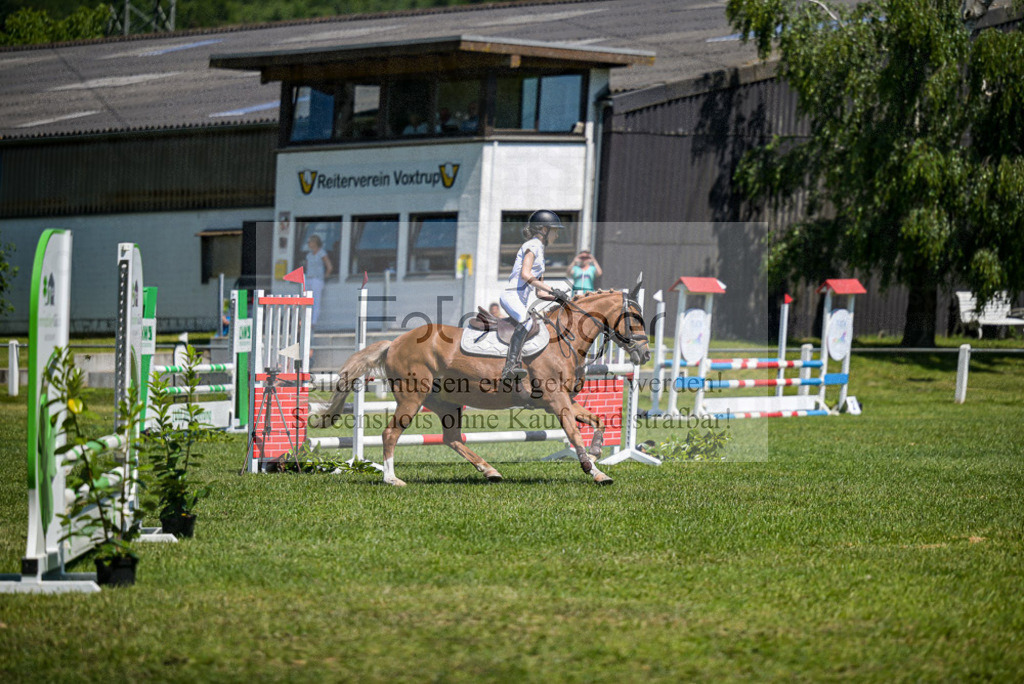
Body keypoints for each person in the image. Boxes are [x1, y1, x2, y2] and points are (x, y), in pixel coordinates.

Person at [499, 210, 570, 381]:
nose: (557, 235)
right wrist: (552, 289)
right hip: (511, 296)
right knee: (528, 322)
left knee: (536, 323)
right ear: (544, 230)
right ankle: (510, 366)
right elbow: (525, 274)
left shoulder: (541, 253)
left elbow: (540, 293)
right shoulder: (532, 245)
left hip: (520, 300)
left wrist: (558, 298)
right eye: (555, 231)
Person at [305, 234, 333, 327]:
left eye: (310, 242)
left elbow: (329, 266)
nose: (308, 244)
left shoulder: (322, 253)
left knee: (316, 301)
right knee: (307, 300)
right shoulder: (309, 255)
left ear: (315, 242)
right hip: (308, 278)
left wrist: (324, 276)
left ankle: (314, 321)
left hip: (317, 279)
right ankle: (307, 319)